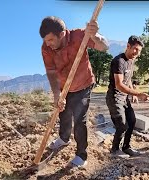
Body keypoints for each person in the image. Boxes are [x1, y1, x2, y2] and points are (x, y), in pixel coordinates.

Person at [39, 16, 108, 167]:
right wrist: (57, 94)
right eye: (45, 40)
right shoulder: (46, 48)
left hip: (83, 84)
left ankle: (81, 155)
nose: (47, 44)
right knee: (63, 113)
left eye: (50, 40)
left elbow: (104, 47)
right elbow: (51, 71)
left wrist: (95, 36)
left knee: (79, 120)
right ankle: (64, 139)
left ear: (61, 34)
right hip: (64, 86)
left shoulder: (79, 36)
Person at [106, 35, 149, 158]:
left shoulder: (131, 61)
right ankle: (114, 150)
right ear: (128, 46)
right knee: (122, 125)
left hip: (125, 98)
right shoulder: (118, 61)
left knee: (132, 121)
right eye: (135, 49)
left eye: (139, 51)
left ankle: (126, 147)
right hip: (114, 97)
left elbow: (128, 78)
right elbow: (119, 84)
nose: (137, 53)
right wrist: (138, 94)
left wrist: (132, 92)